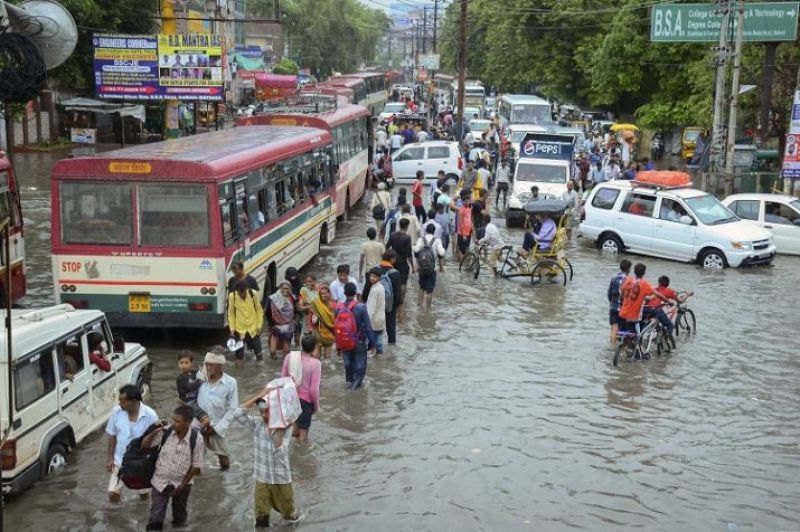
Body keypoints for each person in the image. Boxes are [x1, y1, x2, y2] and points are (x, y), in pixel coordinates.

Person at [235, 390, 305, 528]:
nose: (263, 415)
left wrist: (278, 430)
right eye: (261, 411)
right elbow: (237, 414)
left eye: (268, 412)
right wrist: (258, 396)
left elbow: (280, 452)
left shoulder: (286, 429)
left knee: (290, 518)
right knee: (261, 520)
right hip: (262, 478)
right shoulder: (257, 424)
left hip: (281, 479)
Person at [142, 406, 203, 531]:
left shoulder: (196, 439)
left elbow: (196, 466)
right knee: (155, 519)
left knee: (180, 519)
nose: (173, 423)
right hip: (160, 481)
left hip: (181, 484)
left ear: (188, 422)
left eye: (177, 421)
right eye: (172, 419)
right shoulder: (166, 432)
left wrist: (182, 485)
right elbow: (144, 447)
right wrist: (154, 432)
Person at [106, 384, 158, 503]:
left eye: (123, 402)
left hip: (141, 463)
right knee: (113, 494)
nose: (120, 404)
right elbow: (112, 435)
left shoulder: (151, 416)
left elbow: (155, 442)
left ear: (134, 402)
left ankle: (143, 514)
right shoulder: (117, 412)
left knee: (143, 495)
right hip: (120, 461)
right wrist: (110, 458)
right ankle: (114, 517)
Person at [196, 351, 239, 470]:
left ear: (220, 365)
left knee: (224, 458)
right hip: (199, 422)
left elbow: (233, 409)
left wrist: (217, 429)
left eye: (212, 365)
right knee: (194, 458)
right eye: (207, 364)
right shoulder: (200, 378)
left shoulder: (230, 383)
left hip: (217, 424)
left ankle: (223, 482)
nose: (209, 368)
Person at [336, 282, 378, 390]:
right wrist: (372, 344)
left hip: (344, 341)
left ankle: (350, 388)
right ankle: (352, 391)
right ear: (355, 293)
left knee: (348, 367)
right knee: (360, 368)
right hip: (358, 341)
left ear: (344, 293)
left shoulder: (338, 308)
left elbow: (336, 328)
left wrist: (338, 346)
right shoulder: (361, 307)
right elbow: (368, 327)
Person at [281, 334, 322, 441]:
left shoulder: (289, 357)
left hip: (290, 398)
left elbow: (283, 379)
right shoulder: (316, 364)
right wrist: (316, 405)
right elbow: (313, 389)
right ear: (314, 348)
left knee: (294, 429)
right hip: (305, 402)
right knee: (303, 435)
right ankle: (300, 456)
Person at [619, 263, 673, 333]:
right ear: (644, 273)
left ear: (634, 271)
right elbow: (657, 294)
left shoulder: (628, 279)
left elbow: (621, 292)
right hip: (633, 315)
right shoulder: (644, 284)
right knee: (637, 336)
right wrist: (668, 301)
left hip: (622, 312)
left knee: (625, 335)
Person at [227, 280, 264, 364]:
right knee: (239, 356)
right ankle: (239, 374)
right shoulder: (232, 296)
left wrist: (259, 326)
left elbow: (259, 310)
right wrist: (232, 329)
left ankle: (259, 374)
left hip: (253, 328)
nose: (242, 295)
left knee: (259, 354)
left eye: (244, 293)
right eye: (240, 293)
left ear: (247, 289)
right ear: (236, 291)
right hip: (239, 330)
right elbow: (231, 313)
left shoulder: (253, 293)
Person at [386, 218, 414, 321]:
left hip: (393, 262)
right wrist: (413, 266)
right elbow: (409, 253)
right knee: (403, 283)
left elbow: (387, 246)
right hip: (403, 263)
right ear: (406, 226)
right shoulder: (407, 237)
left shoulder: (393, 235)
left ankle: (393, 300)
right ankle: (401, 302)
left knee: (393, 282)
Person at [413, 224, 447, 308]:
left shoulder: (421, 239)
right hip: (432, 269)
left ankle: (419, 305)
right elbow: (442, 253)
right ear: (434, 231)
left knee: (421, 286)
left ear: (425, 231)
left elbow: (416, 250)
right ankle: (428, 308)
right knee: (429, 289)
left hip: (421, 268)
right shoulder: (437, 240)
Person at [264, 281, 296, 359]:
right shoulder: (272, 298)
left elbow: (297, 310)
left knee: (286, 347)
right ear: (280, 288)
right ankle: (274, 363)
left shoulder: (293, 298)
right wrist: (271, 325)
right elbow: (267, 312)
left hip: (288, 326)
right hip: (276, 326)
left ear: (290, 289)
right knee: (272, 350)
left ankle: (284, 363)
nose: (285, 290)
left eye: (287, 288)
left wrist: (295, 321)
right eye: (283, 288)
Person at [176, 352, 209, 424]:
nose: (183, 365)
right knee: (203, 415)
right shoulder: (181, 377)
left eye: (186, 363)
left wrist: (203, 370)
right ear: (178, 363)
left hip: (196, 397)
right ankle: (201, 425)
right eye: (181, 363)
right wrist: (200, 381)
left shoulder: (193, 372)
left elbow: (201, 372)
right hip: (187, 401)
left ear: (192, 364)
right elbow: (191, 387)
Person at [607, 259, 631, 346]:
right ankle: (624, 349)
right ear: (629, 269)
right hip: (624, 309)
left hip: (613, 307)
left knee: (614, 328)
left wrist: (612, 303)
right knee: (625, 330)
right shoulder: (630, 280)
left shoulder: (613, 278)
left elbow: (609, 293)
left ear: (620, 267)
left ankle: (612, 347)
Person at [365, 267, 386, 355]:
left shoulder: (375, 290)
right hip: (381, 318)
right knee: (379, 339)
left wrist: (366, 322)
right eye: (371, 276)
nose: (372, 278)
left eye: (375, 276)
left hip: (373, 319)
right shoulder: (381, 287)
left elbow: (371, 309)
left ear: (379, 277)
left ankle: (372, 356)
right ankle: (379, 356)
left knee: (370, 340)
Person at [455, 190, 473, 263]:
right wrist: (463, 235)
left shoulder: (469, 209)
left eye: (468, 201)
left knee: (466, 248)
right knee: (462, 249)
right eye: (465, 201)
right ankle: (461, 264)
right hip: (462, 233)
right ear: (463, 202)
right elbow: (460, 222)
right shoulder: (461, 210)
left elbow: (471, 221)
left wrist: (473, 231)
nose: (467, 203)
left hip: (468, 232)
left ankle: (462, 263)